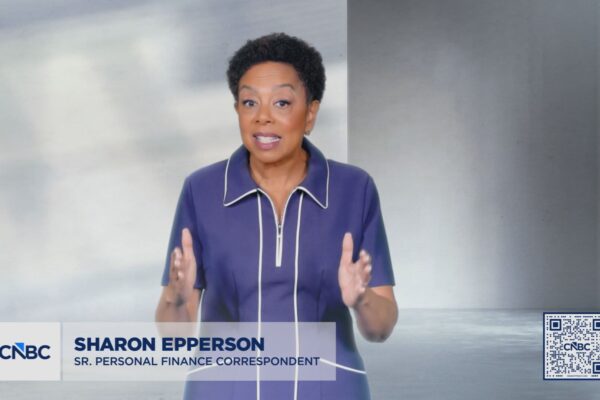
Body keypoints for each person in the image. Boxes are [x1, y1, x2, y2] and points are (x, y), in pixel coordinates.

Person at [155, 32, 397, 400]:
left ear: (311, 112)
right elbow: (174, 336)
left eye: (282, 102)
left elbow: (380, 329)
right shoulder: (201, 190)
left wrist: (360, 298)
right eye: (249, 102)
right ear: (237, 110)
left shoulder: (354, 189)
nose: (262, 118)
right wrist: (176, 297)